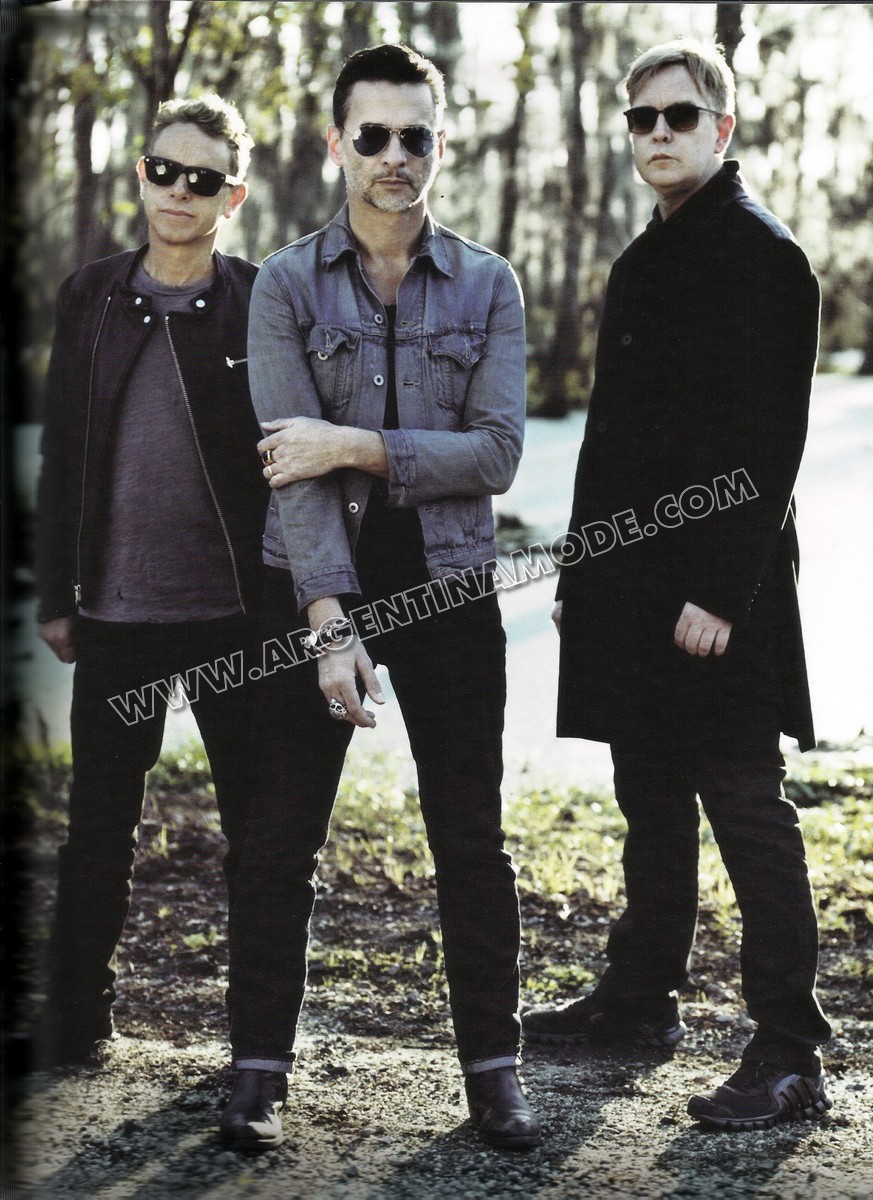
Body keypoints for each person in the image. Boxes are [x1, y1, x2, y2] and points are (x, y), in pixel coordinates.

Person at [220, 44, 540, 1152]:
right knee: (279, 835)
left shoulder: (490, 284)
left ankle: (494, 1074)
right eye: (373, 136)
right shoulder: (284, 285)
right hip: (313, 584)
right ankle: (257, 1070)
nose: (394, 156)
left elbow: (497, 454)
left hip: (449, 585)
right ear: (336, 145)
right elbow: (288, 468)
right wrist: (328, 622)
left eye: (416, 136)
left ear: (439, 146)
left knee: (471, 839)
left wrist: (352, 442)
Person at [521, 39, 833, 1132]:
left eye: (680, 115)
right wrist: (583, 566)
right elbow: (609, 438)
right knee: (647, 789)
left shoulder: (764, 256)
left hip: (719, 592)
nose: (657, 132)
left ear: (722, 128)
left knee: (743, 799)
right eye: (641, 117)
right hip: (628, 581)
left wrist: (718, 592)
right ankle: (639, 1000)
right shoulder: (641, 259)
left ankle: (790, 1050)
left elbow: (767, 445)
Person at [34, 95, 265, 1068]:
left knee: (259, 834)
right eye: (164, 170)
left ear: (232, 197)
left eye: (203, 179)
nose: (179, 191)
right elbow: (61, 449)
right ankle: (76, 1020)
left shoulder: (261, 300)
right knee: (96, 827)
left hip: (236, 618)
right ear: (140, 174)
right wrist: (55, 591)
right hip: (115, 614)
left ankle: (255, 1051)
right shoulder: (89, 295)